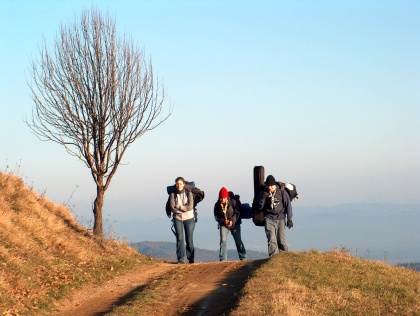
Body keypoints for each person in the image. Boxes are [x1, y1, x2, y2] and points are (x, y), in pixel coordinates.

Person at [257, 175, 293, 256]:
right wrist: (264, 197)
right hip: (269, 218)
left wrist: (289, 219)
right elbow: (259, 206)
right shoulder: (264, 193)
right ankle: (274, 259)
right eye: (268, 186)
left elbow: (288, 205)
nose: (270, 188)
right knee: (271, 240)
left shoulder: (281, 191)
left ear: (274, 185)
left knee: (281, 240)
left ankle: (284, 257)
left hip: (280, 218)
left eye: (271, 186)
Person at [214, 187, 247, 261]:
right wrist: (223, 221)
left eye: (224, 198)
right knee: (223, 241)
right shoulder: (217, 205)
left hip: (235, 224)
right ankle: (223, 259)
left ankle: (243, 258)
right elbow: (216, 216)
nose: (223, 200)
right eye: (221, 198)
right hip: (224, 224)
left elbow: (237, 213)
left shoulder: (233, 202)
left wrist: (232, 221)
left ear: (227, 197)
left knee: (238, 241)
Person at [170, 177, 195, 264]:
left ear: (184, 184)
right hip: (178, 218)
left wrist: (179, 207)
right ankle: (181, 259)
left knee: (189, 239)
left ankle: (191, 258)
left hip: (189, 218)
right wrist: (183, 208)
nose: (179, 186)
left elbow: (190, 206)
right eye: (177, 184)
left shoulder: (189, 193)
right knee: (180, 238)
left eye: (180, 184)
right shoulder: (173, 194)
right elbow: (172, 208)